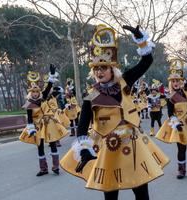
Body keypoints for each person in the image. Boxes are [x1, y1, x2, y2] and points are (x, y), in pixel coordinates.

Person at [60, 24, 169, 200]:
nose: (99, 71)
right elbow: (82, 126)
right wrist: (85, 149)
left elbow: (146, 62)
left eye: (103, 68)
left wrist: (141, 41)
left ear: (112, 69)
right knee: (110, 194)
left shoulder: (124, 81)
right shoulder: (91, 96)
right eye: (96, 68)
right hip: (107, 147)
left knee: (141, 192)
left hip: (132, 145)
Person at [19, 65, 68, 176]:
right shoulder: (29, 104)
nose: (35, 93)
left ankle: (56, 166)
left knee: (52, 143)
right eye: (33, 92)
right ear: (30, 93)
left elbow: (49, 86)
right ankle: (43, 169)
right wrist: (31, 129)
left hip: (48, 123)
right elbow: (30, 119)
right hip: (37, 127)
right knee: (40, 146)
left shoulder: (43, 97)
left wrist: (51, 75)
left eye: (37, 91)